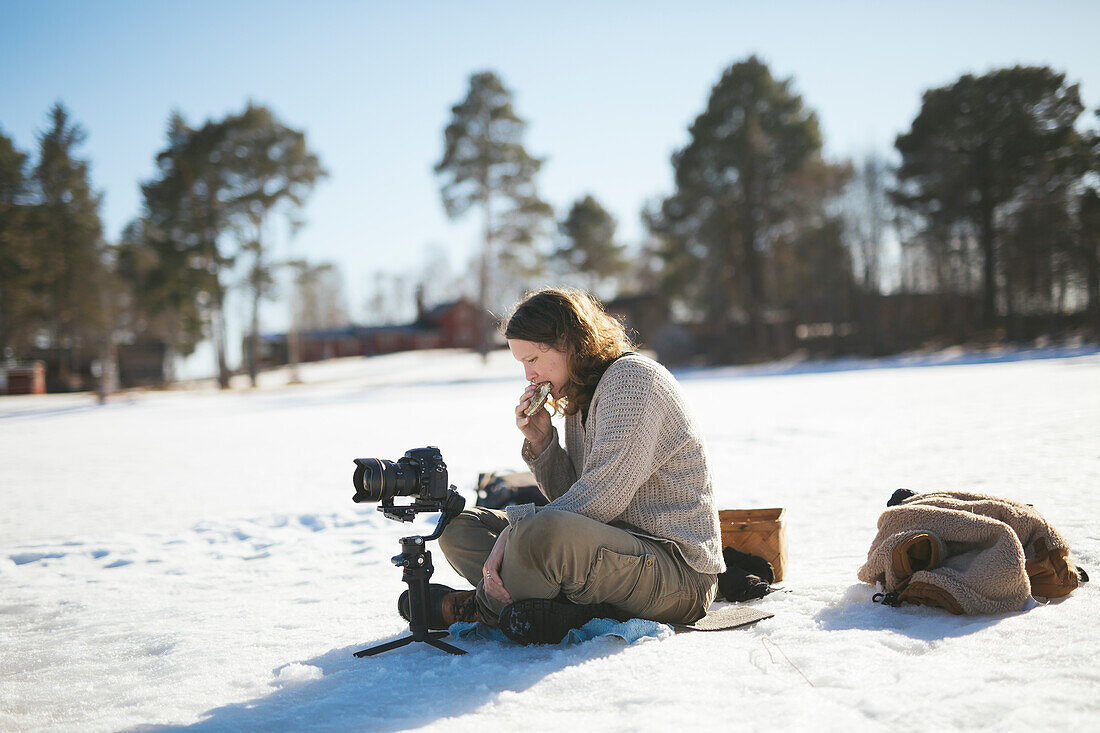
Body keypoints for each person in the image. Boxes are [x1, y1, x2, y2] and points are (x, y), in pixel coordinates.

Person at [403, 287, 725, 644]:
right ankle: (548, 606)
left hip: (677, 574)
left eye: (534, 359)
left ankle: (479, 607)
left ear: (570, 342)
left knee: (538, 533)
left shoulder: (632, 380)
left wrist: (516, 531)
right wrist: (543, 443)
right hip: (611, 552)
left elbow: (601, 499)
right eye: (522, 364)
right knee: (459, 527)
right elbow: (573, 499)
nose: (529, 375)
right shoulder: (581, 395)